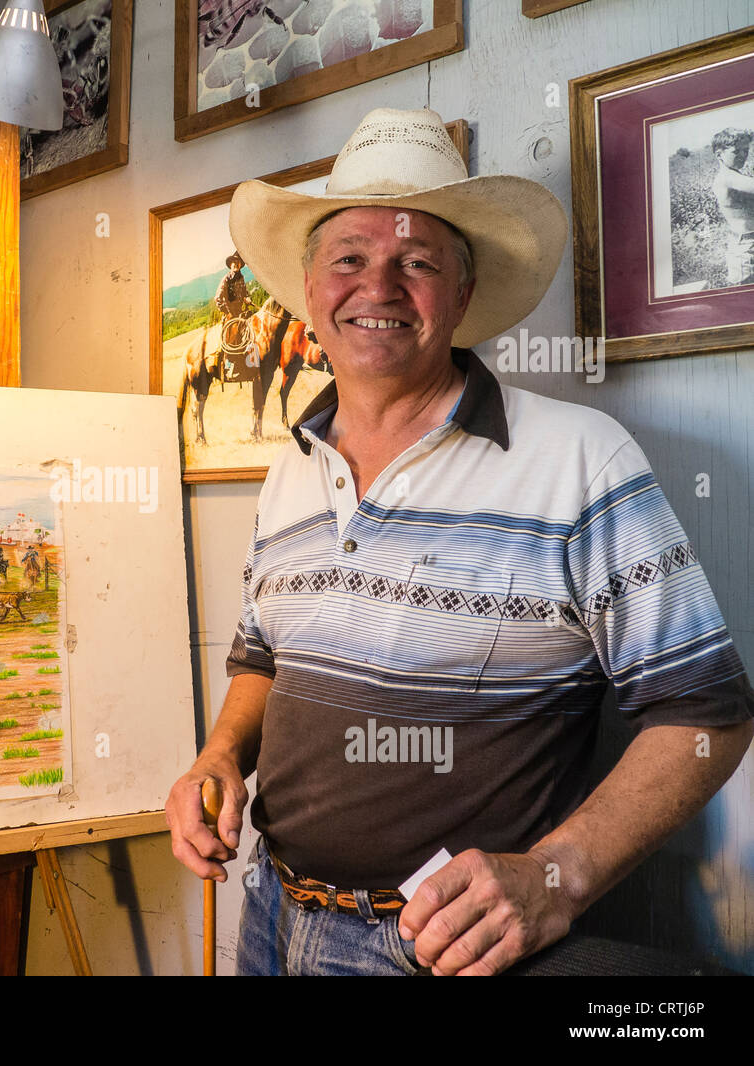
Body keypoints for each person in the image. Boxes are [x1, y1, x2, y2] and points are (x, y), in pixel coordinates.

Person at [165, 108, 754, 977]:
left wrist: (554, 880)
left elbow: (708, 716)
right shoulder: (293, 467)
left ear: (463, 297)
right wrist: (218, 757)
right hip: (269, 914)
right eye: (350, 259)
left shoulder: (579, 460)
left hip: (442, 951)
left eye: (417, 262)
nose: (379, 287)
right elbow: (263, 659)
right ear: (311, 287)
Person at [709, 127, 754, 287]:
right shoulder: (728, 178)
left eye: (746, 150)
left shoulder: (736, 176)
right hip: (747, 251)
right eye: (737, 151)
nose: (743, 155)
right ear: (719, 155)